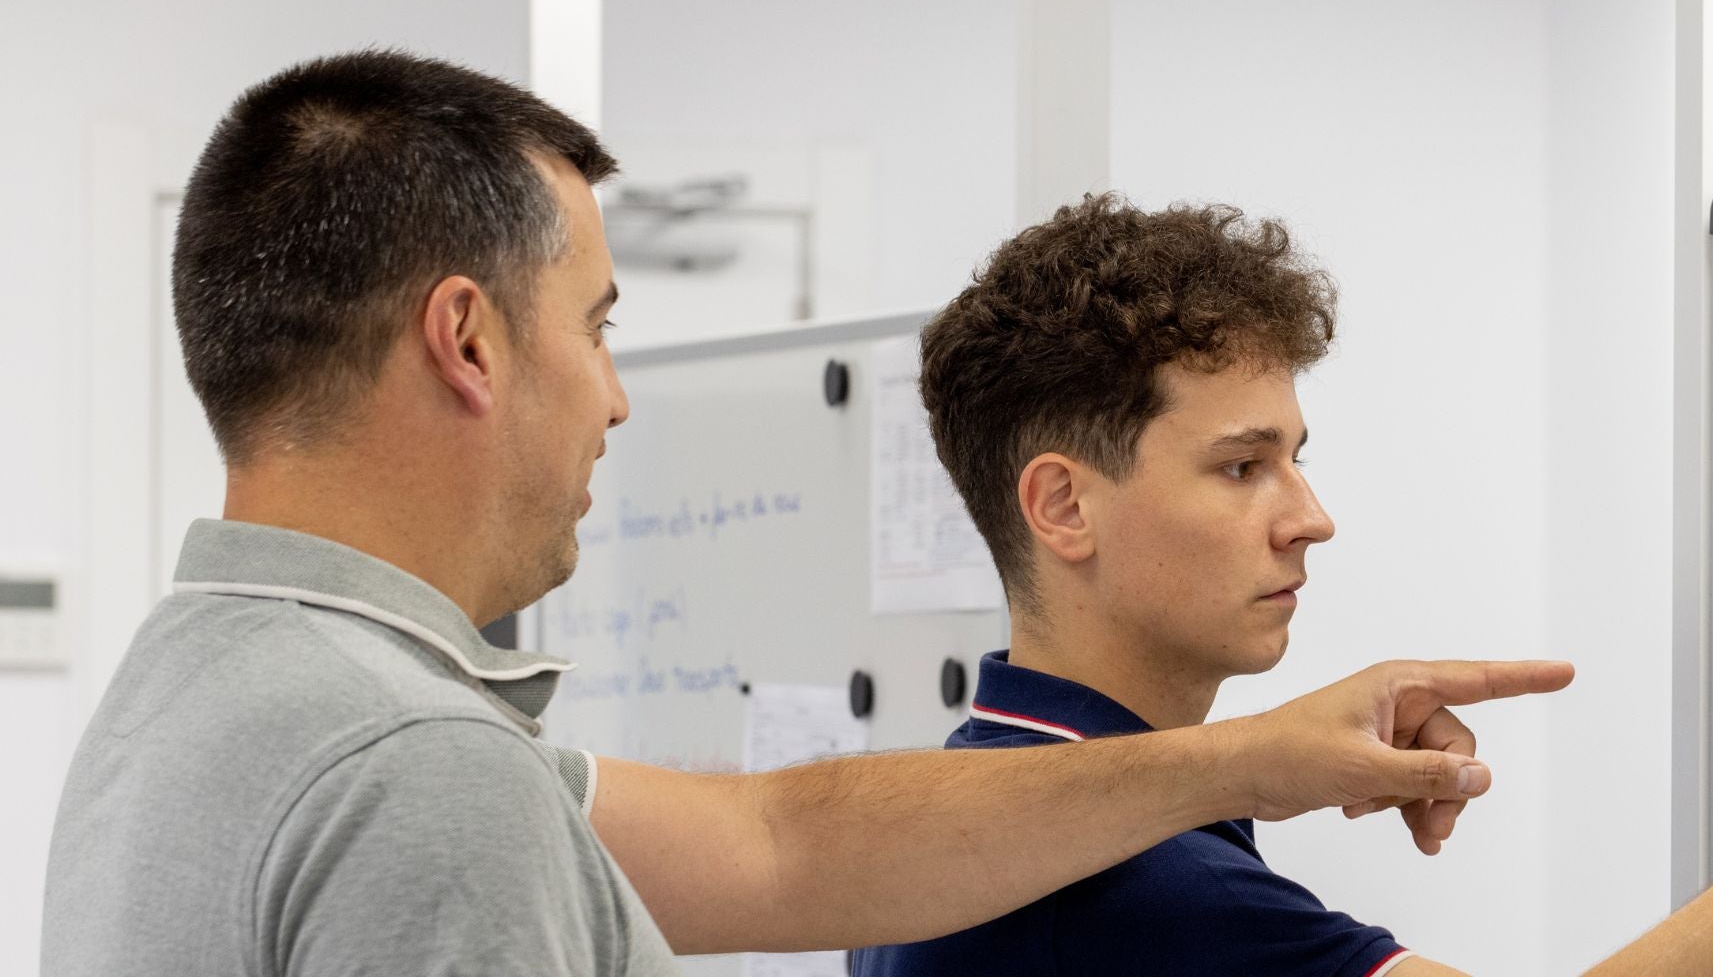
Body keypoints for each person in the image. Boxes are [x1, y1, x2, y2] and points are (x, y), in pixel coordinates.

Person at [41, 50, 1571, 976]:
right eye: (599, 326)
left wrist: (1258, 761)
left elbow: (774, 845)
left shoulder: (209, 690)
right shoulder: (418, 773)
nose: (618, 398)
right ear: (469, 342)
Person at [853, 194, 1713, 977]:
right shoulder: (1131, 892)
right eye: (1240, 467)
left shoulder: (954, 812)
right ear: (1063, 506)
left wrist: (1258, 770)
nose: (1309, 518)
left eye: (1297, 458)